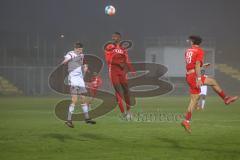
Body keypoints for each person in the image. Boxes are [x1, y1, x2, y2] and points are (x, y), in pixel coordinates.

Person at [181, 35, 238, 133]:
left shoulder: (188, 51)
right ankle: (226, 98)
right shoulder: (200, 51)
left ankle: (226, 98)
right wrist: (199, 78)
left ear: (192, 42)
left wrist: (203, 65)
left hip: (189, 75)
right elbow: (197, 64)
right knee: (200, 94)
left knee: (199, 95)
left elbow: (192, 64)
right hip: (194, 76)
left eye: (190, 41)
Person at [61, 42, 96, 128]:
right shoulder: (71, 54)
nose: (80, 51)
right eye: (79, 49)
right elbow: (66, 60)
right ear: (75, 48)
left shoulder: (82, 55)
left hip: (80, 80)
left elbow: (83, 63)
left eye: (81, 50)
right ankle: (68, 120)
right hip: (73, 79)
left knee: (83, 99)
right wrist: (65, 61)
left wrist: (85, 68)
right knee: (74, 100)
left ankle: (87, 118)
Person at [104, 32, 135, 119]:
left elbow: (127, 60)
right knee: (118, 91)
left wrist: (131, 69)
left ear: (120, 38)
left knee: (126, 91)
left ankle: (129, 111)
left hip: (121, 72)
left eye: (116, 37)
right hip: (113, 71)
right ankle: (123, 113)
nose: (114, 38)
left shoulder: (123, 49)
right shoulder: (109, 47)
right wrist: (118, 63)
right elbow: (108, 60)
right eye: (113, 37)